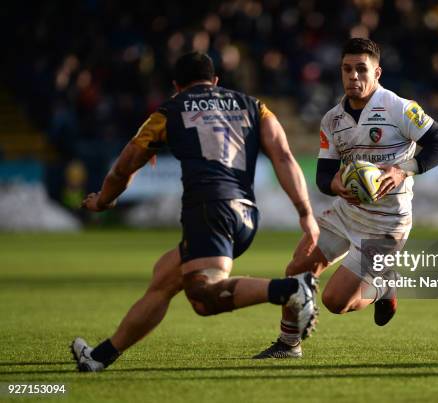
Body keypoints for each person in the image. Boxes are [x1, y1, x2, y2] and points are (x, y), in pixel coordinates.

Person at [71, 52, 320, 372]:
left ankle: (291, 289)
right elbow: (283, 156)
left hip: (208, 209)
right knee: (165, 278)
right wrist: (305, 213)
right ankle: (100, 357)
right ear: (216, 81)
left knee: (204, 297)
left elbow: (122, 168)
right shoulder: (255, 106)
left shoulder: (169, 110)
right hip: (245, 215)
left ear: (176, 86)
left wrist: (103, 201)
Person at [253, 38, 438, 359]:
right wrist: (335, 184)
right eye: (347, 69)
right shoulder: (332, 120)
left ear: (377, 72)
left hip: (386, 226)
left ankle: (382, 288)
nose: (353, 77)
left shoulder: (400, 108)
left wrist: (404, 170)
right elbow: (323, 177)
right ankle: (289, 345)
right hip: (346, 212)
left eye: (362, 69)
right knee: (297, 269)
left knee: (335, 303)